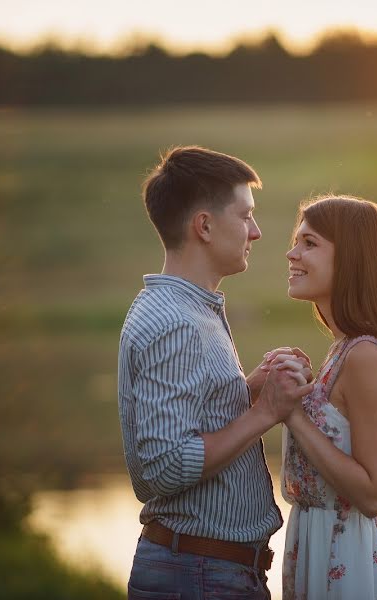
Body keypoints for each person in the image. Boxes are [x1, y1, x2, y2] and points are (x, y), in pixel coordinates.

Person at [117, 146, 314, 600]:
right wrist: (265, 412)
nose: (257, 231)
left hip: (206, 571)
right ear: (203, 226)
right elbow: (163, 465)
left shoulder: (189, 310)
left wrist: (247, 391)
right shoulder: (176, 324)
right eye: (245, 216)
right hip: (199, 575)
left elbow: (190, 423)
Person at [269, 195, 377, 599]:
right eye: (297, 241)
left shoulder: (365, 354)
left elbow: (374, 493)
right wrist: (305, 392)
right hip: (325, 547)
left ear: (351, 260)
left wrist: (294, 416)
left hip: (355, 558)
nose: (292, 253)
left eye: (309, 243)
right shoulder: (344, 348)